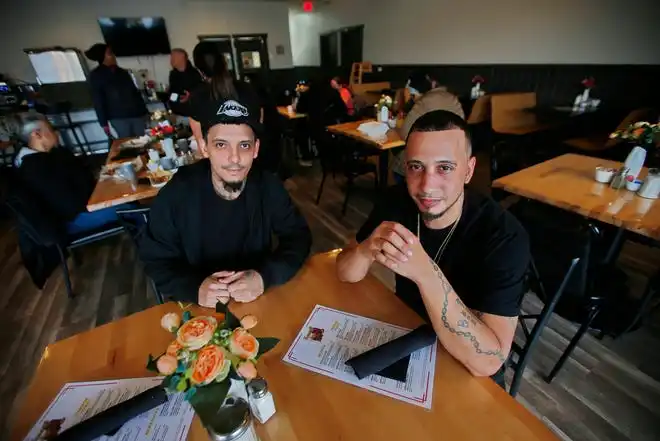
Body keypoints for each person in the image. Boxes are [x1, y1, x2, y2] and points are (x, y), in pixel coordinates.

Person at [335, 92, 529, 385]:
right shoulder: (396, 202)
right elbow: (345, 273)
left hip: (466, 365)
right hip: (408, 334)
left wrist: (426, 274)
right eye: (416, 167)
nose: (427, 186)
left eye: (445, 168)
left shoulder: (504, 235)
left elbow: (488, 361)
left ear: (468, 170)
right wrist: (365, 250)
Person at [139, 87, 312, 307]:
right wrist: (194, 288)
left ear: (256, 149)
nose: (235, 158)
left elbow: (298, 236)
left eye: (244, 145)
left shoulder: (267, 185)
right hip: (200, 307)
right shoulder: (176, 193)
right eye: (221, 145)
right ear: (204, 147)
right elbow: (155, 260)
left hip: (258, 299)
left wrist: (264, 276)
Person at [13, 112, 132, 234]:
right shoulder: (35, 168)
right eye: (51, 129)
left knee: (127, 190)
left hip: (87, 204)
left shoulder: (53, 154)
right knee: (131, 208)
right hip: (74, 219)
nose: (56, 133)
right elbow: (71, 203)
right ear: (37, 134)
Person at [188, 41, 262, 150]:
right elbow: (258, 128)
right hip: (250, 159)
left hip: (220, 164)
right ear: (224, 61)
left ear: (199, 70)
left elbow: (203, 148)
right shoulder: (248, 89)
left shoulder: (197, 97)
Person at [85, 43, 148, 138]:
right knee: (127, 143)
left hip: (136, 114)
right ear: (102, 57)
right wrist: (103, 123)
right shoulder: (95, 76)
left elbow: (135, 93)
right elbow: (98, 100)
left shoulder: (123, 72)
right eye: (110, 54)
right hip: (118, 117)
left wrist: (144, 112)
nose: (114, 56)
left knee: (144, 140)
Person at [168, 48, 203, 122]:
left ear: (182, 57)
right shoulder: (173, 75)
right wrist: (176, 101)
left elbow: (201, 93)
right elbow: (172, 94)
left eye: (173, 57)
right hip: (178, 115)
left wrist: (190, 97)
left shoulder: (194, 74)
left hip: (194, 116)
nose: (171, 60)